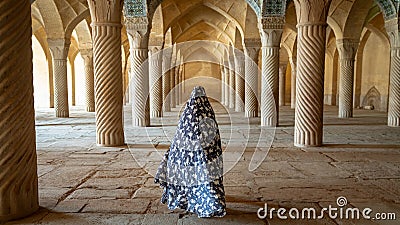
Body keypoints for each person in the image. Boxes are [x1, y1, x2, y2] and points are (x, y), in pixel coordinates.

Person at [154, 86, 226, 218]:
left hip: (189, 157)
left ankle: (190, 199)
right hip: (207, 155)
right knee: (207, 176)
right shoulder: (208, 111)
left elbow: (180, 135)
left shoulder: (187, 113)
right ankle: (210, 200)